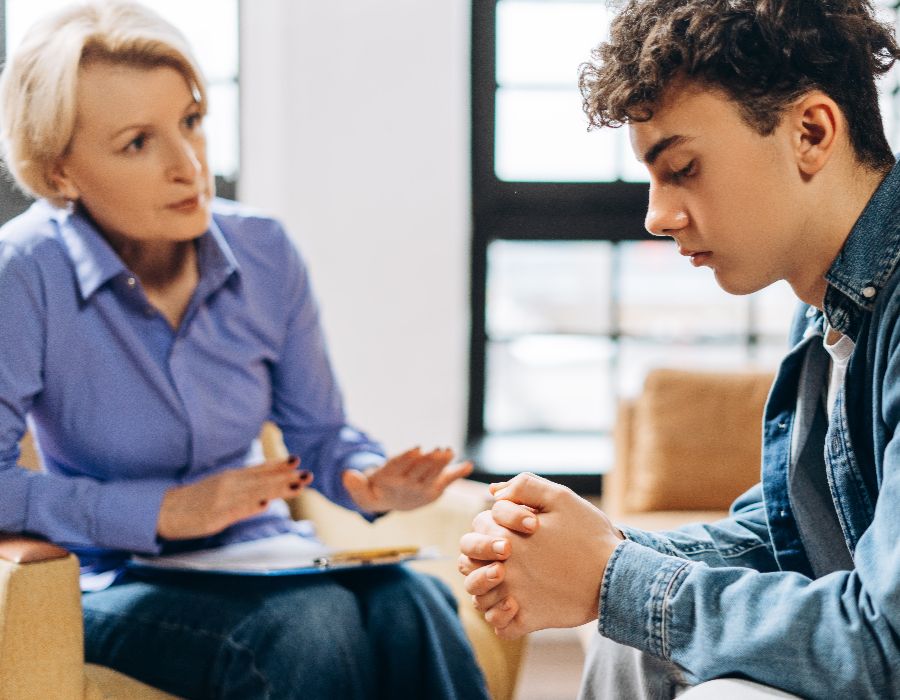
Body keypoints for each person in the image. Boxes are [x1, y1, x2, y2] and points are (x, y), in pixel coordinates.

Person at [0, 2, 489, 698]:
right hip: (112, 581)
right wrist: (161, 510)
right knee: (312, 626)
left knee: (413, 605)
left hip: (264, 557)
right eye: (139, 142)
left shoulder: (265, 251)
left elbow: (317, 436)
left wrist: (365, 480)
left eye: (191, 122)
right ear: (61, 173)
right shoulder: (24, 271)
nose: (188, 164)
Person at [459, 0, 900, 698]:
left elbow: (886, 645)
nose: (657, 217)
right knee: (630, 641)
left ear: (811, 132)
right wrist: (598, 554)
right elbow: (785, 538)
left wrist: (610, 578)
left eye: (684, 168)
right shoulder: (831, 311)